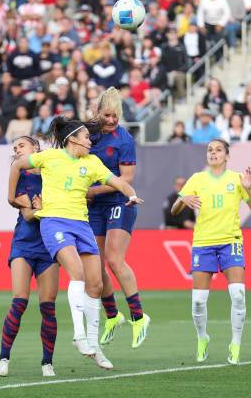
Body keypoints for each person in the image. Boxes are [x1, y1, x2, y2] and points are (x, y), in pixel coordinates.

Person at [8, 117, 144, 370]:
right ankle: (79, 335)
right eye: (86, 138)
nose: (90, 141)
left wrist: (131, 195)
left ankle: (94, 344)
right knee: (78, 274)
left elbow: (119, 181)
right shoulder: (50, 157)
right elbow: (17, 165)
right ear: (73, 140)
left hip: (82, 225)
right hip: (55, 223)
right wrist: (11, 196)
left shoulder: (92, 162)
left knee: (96, 282)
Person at [171, 139, 251, 364]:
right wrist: (183, 199)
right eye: (210, 150)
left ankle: (236, 343)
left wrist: (249, 189)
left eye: (218, 150)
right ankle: (202, 338)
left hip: (230, 241)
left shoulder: (237, 179)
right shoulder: (197, 179)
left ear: (227, 155)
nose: (213, 153)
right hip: (203, 243)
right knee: (198, 301)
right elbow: (174, 210)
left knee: (238, 295)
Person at [85, 87, 151, 348]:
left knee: (114, 259)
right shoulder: (87, 133)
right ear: (97, 112)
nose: (112, 120)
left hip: (120, 201)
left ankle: (138, 317)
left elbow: (127, 179)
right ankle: (112, 316)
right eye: (107, 115)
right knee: (95, 268)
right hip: (93, 206)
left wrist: (93, 190)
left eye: (116, 115)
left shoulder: (124, 140)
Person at [0, 136, 59, 378]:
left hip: (49, 245)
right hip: (24, 244)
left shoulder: (52, 174)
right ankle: (3, 357)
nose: (16, 149)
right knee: (19, 300)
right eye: (14, 148)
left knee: (48, 306)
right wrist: (44, 207)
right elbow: (30, 215)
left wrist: (42, 206)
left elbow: (44, 208)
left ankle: (47, 363)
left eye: (21, 145)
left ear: (36, 149)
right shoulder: (20, 177)